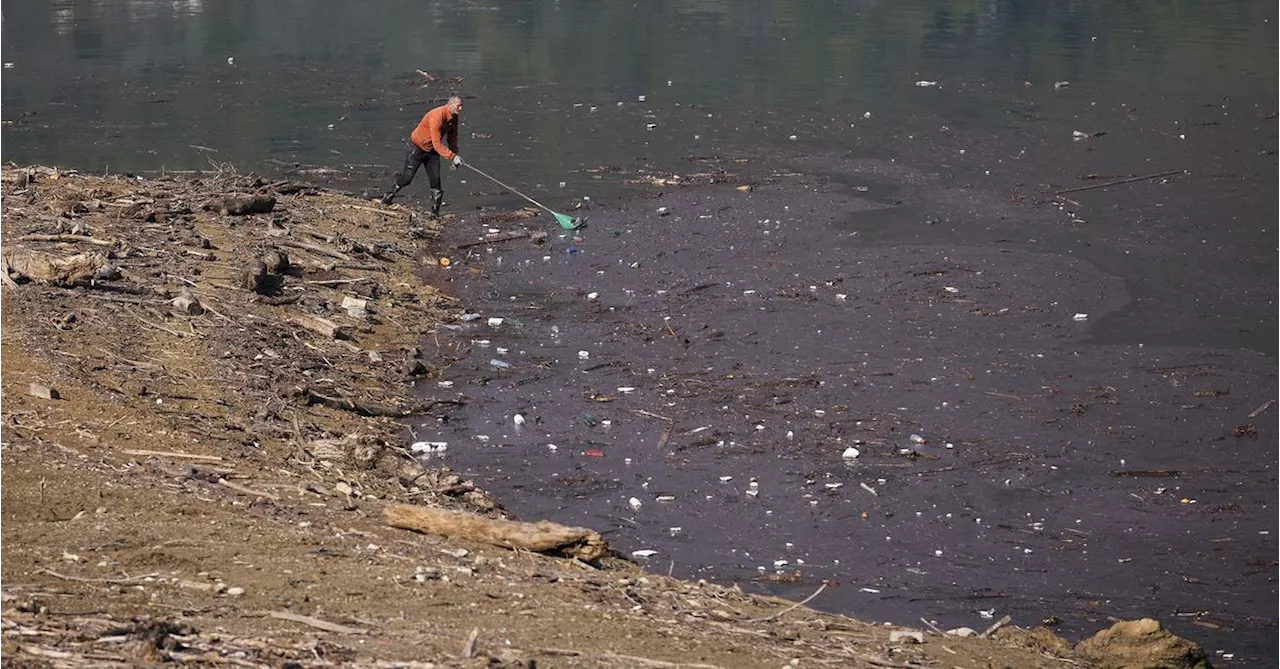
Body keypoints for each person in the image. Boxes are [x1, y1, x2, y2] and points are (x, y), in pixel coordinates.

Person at [380, 95, 464, 216]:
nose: (460, 108)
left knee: (436, 182)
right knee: (407, 178)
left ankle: (435, 214)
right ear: (450, 105)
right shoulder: (437, 116)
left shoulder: (454, 116)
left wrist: (455, 154)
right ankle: (388, 196)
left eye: (461, 106)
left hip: (432, 152)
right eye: (458, 106)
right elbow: (437, 143)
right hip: (417, 148)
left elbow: (452, 136)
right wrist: (452, 156)